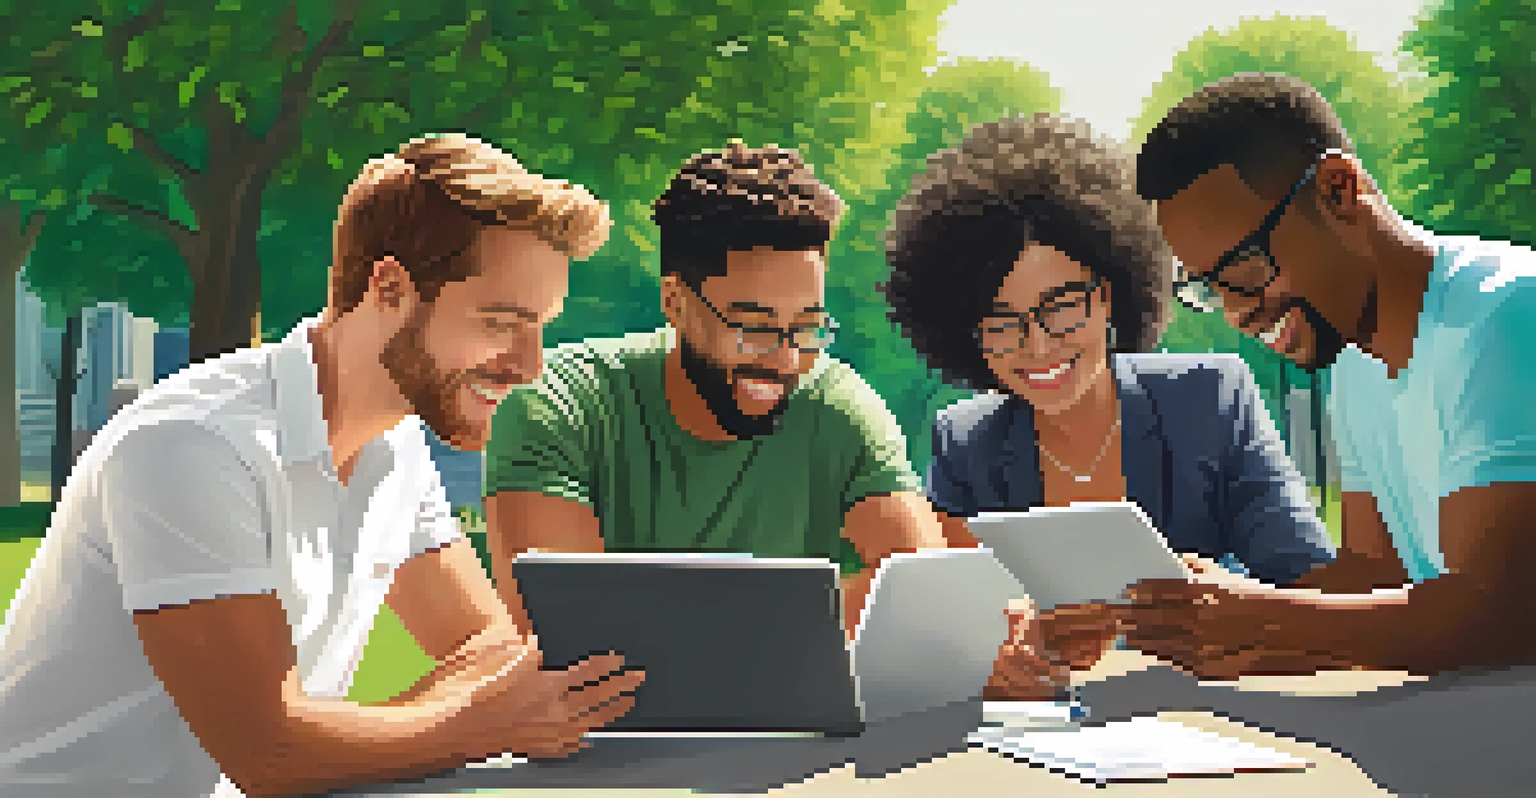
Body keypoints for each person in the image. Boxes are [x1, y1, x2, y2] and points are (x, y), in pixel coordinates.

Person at [0, 134, 645, 797]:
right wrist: (474, 725)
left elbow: (484, 652)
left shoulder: (394, 451)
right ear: (389, 289)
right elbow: (270, 757)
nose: (529, 364)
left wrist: (344, 740)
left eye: (541, 326)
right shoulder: (193, 448)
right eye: (501, 322)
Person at [882, 113, 1336, 700]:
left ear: (1113, 292)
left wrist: (1227, 601)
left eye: (1062, 305)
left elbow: (1311, 583)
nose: (1038, 345)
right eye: (1000, 323)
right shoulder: (965, 440)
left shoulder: (1209, 396)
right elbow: (949, 627)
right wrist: (1001, 653)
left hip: (1213, 721)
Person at [1104, 72, 1536, 679]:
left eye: (1246, 268)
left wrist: (1257, 618)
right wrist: (1204, 609)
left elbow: (1500, 613)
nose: (1237, 311)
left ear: (1338, 190)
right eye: (1208, 288)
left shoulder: (1508, 314)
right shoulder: (1356, 362)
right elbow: (1374, 573)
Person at [482, 141, 946, 638]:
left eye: (807, 327)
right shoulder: (557, 404)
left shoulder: (835, 403)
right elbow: (566, 630)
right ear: (675, 302)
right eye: (755, 327)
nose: (787, 359)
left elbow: (922, 588)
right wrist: (802, 627)